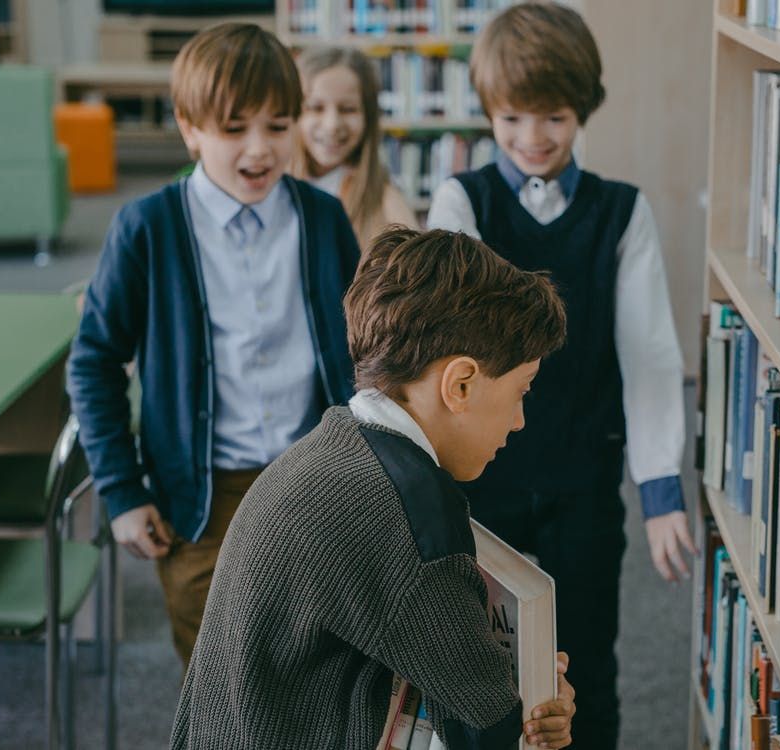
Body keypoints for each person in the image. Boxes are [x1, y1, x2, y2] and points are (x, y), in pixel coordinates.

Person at [170, 227, 575, 749]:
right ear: (461, 384)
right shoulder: (410, 509)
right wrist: (540, 698)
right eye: (521, 391)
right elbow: (495, 724)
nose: (519, 421)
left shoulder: (336, 444)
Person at [425, 4, 694, 749]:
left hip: (584, 477)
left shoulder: (621, 212)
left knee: (588, 669)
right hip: (482, 481)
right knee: (477, 671)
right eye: (512, 118)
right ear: (488, 112)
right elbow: (454, 343)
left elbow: (649, 356)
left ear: (582, 111)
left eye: (553, 117)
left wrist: (662, 493)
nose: (532, 138)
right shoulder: (459, 202)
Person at [67, 22, 361, 670]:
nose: (259, 149)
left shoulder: (322, 220)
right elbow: (94, 361)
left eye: (278, 126)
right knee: (219, 683)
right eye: (234, 129)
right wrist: (121, 489)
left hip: (311, 484)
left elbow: (361, 352)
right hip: (201, 504)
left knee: (316, 667)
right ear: (189, 127)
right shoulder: (147, 227)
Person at [291, 46, 417, 250]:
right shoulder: (272, 191)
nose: (332, 124)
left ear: (368, 117)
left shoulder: (388, 202)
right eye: (316, 108)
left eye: (348, 109)